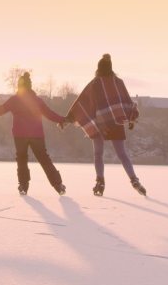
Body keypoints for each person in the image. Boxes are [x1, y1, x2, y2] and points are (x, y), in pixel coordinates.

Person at [63, 54, 146, 196]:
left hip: (99, 124)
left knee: (98, 154)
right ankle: (134, 180)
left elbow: (81, 102)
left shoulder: (95, 83)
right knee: (122, 154)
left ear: (98, 68)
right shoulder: (118, 82)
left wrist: (68, 118)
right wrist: (131, 118)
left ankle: (100, 182)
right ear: (111, 67)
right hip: (116, 122)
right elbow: (127, 101)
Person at [0, 72, 67, 196]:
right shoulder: (37, 101)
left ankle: (23, 186)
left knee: (21, 159)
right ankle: (58, 185)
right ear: (30, 86)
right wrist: (62, 119)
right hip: (37, 135)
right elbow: (49, 114)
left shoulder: (14, 100)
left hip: (20, 135)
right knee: (44, 159)